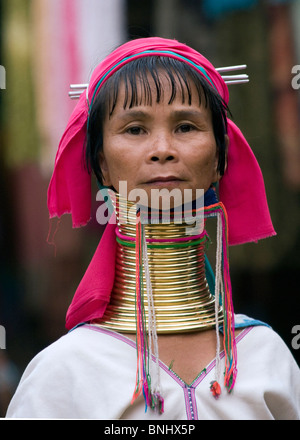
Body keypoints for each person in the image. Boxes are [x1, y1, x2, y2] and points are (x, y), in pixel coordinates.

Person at [6, 37, 300, 420]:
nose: (162, 148)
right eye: (135, 129)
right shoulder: (65, 371)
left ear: (219, 160)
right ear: (102, 165)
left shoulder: (266, 355)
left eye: (185, 126)